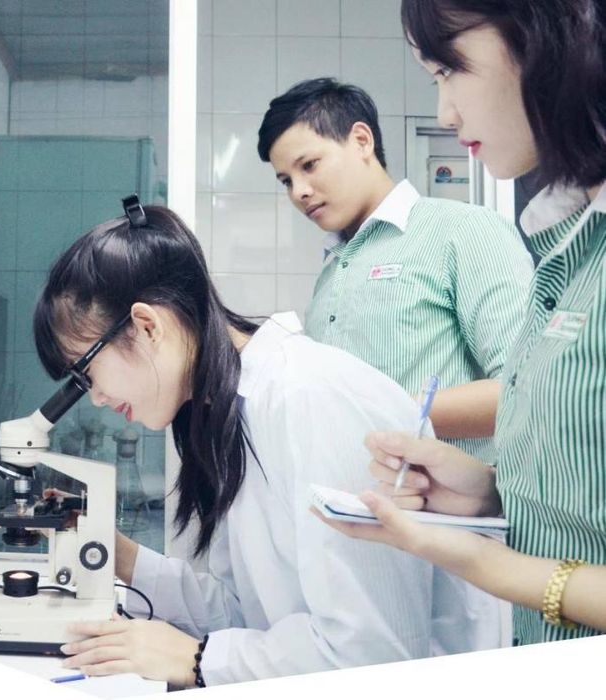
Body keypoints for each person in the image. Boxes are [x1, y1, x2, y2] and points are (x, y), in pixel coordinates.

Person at [33, 203, 501, 687]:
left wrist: (197, 660)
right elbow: (244, 611)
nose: (97, 397)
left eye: (86, 371)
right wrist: (121, 556)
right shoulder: (232, 410)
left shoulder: (310, 397)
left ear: (148, 326)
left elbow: (373, 654)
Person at [316, 0, 606, 642]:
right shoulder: (568, 245)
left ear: (544, 35)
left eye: (448, 70)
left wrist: (488, 564)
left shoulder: (462, 232)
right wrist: (486, 493)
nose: (445, 113)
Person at [258, 78, 534, 464]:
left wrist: (382, 410)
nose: (299, 191)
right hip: (347, 497)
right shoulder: (333, 268)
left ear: (361, 141)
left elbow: (525, 389)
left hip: (447, 498)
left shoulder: (463, 230)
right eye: (286, 180)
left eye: (309, 165)